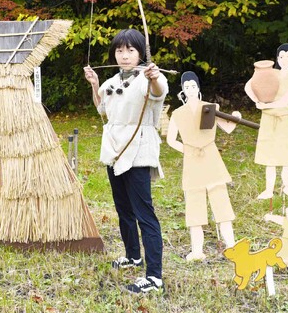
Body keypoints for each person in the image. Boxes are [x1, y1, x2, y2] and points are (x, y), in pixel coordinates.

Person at [83, 28, 168, 294]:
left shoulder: (148, 77)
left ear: (141, 53)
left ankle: (154, 277)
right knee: (124, 209)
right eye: (120, 50)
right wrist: (96, 84)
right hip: (114, 149)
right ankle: (133, 256)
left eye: (130, 50)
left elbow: (159, 91)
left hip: (138, 149)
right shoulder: (111, 81)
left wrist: (154, 77)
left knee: (145, 213)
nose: (124, 55)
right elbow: (102, 108)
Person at [166, 72, 238, 261]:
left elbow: (228, 127)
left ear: (198, 87)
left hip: (211, 157)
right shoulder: (177, 114)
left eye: (193, 85)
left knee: (220, 200)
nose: (190, 89)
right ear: (182, 90)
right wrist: (187, 150)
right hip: (192, 161)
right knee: (194, 204)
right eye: (186, 86)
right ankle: (197, 250)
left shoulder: (210, 107)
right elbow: (171, 140)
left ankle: (232, 246)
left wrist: (236, 117)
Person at [244, 43, 288, 199]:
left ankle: (287, 187)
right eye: (282, 56)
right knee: (269, 156)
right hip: (269, 120)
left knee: (287, 157)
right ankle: (268, 189)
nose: (285, 59)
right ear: (277, 58)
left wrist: (264, 106)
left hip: (286, 120)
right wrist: (256, 100)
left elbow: (286, 101)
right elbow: (248, 86)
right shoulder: (270, 73)